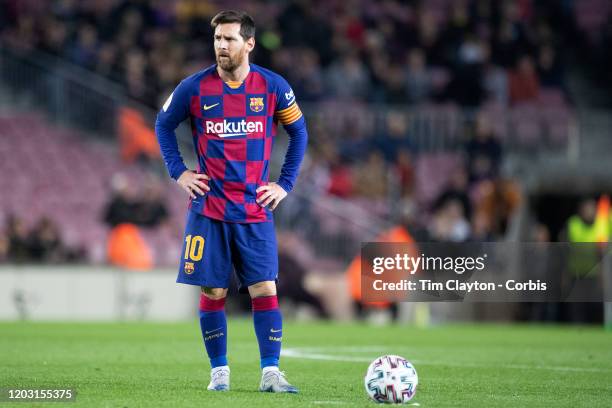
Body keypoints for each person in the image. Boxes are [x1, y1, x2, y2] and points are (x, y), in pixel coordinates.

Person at [155, 10, 308, 393]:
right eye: (218, 39)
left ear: (249, 44)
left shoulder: (274, 88)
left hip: (255, 210)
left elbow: (299, 132)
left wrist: (284, 184)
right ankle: (219, 373)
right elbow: (163, 124)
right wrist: (179, 172)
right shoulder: (194, 88)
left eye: (229, 39)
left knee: (265, 289)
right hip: (208, 208)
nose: (221, 46)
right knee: (213, 291)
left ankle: (271, 373)